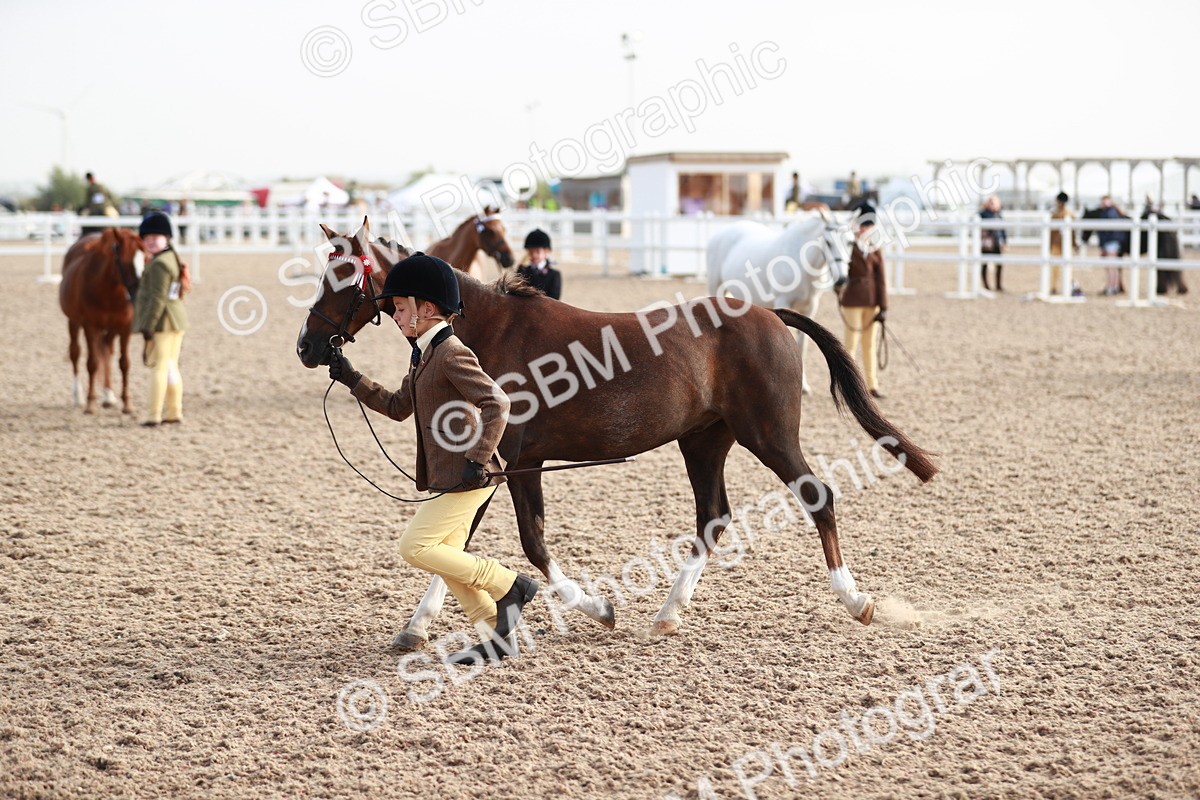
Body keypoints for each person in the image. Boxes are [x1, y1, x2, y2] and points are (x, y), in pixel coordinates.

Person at [327, 252, 539, 665]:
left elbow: (498, 403)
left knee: (415, 546)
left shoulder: (450, 352)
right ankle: (495, 633)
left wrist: (478, 459)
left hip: (469, 475)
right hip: (448, 475)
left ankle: (511, 584)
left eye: (401, 308)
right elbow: (398, 406)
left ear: (427, 309)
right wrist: (351, 377)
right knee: (449, 558)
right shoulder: (422, 352)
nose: (395, 316)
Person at [132, 211, 189, 427]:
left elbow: (157, 298)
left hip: (163, 321)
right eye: (147, 239)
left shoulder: (158, 264)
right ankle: (174, 411)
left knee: (159, 367)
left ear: (166, 238)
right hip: (176, 318)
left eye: (155, 238)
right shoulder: (171, 257)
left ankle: (153, 414)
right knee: (171, 366)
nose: (150, 242)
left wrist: (148, 325)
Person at [838, 204, 888, 399]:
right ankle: (848, 387)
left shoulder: (875, 248)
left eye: (868, 227)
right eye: (863, 226)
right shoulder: (848, 248)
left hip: (872, 302)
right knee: (850, 344)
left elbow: (882, 279)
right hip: (852, 300)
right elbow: (839, 272)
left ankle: (871, 385)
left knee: (869, 344)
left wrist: (884, 306)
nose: (865, 230)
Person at [516, 229, 563, 300]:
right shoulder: (523, 271)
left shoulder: (554, 274)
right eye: (531, 252)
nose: (534, 255)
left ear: (546, 252)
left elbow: (555, 298)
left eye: (538, 252)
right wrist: (521, 267)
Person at [1096, 195, 1127, 296]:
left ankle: (1111, 287)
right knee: (1113, 266)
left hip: (1110, 242)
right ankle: (1114, 286)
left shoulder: (1109, 213)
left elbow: (1106, 231)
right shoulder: (1114, 212)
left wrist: (1103, 244)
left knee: (1111, 266)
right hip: (1114, 242)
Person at [1049, 192, 1076, 294]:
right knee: (1057, 266)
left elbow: (1073, 232)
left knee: (1066, 266)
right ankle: (1055, 286)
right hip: (1058, 244)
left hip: (1061, 244)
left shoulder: (1060, 214)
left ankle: (1063, 286)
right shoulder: (1057, 214)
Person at [979, 194, 1006, 291]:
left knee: (999, 264)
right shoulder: (983, 214)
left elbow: (1003, 230)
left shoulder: (999, 214)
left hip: (997, 243)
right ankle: (986, 285)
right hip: (987, 243)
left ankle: (998, 285)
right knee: (985, 264)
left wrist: (1004, 242)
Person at [80, 171, 119, 236]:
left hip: (103, 207)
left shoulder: (97, 187)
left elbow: (88, 201)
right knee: (82, 218)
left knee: (115, 217)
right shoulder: (97, 187)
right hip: (98, 208)